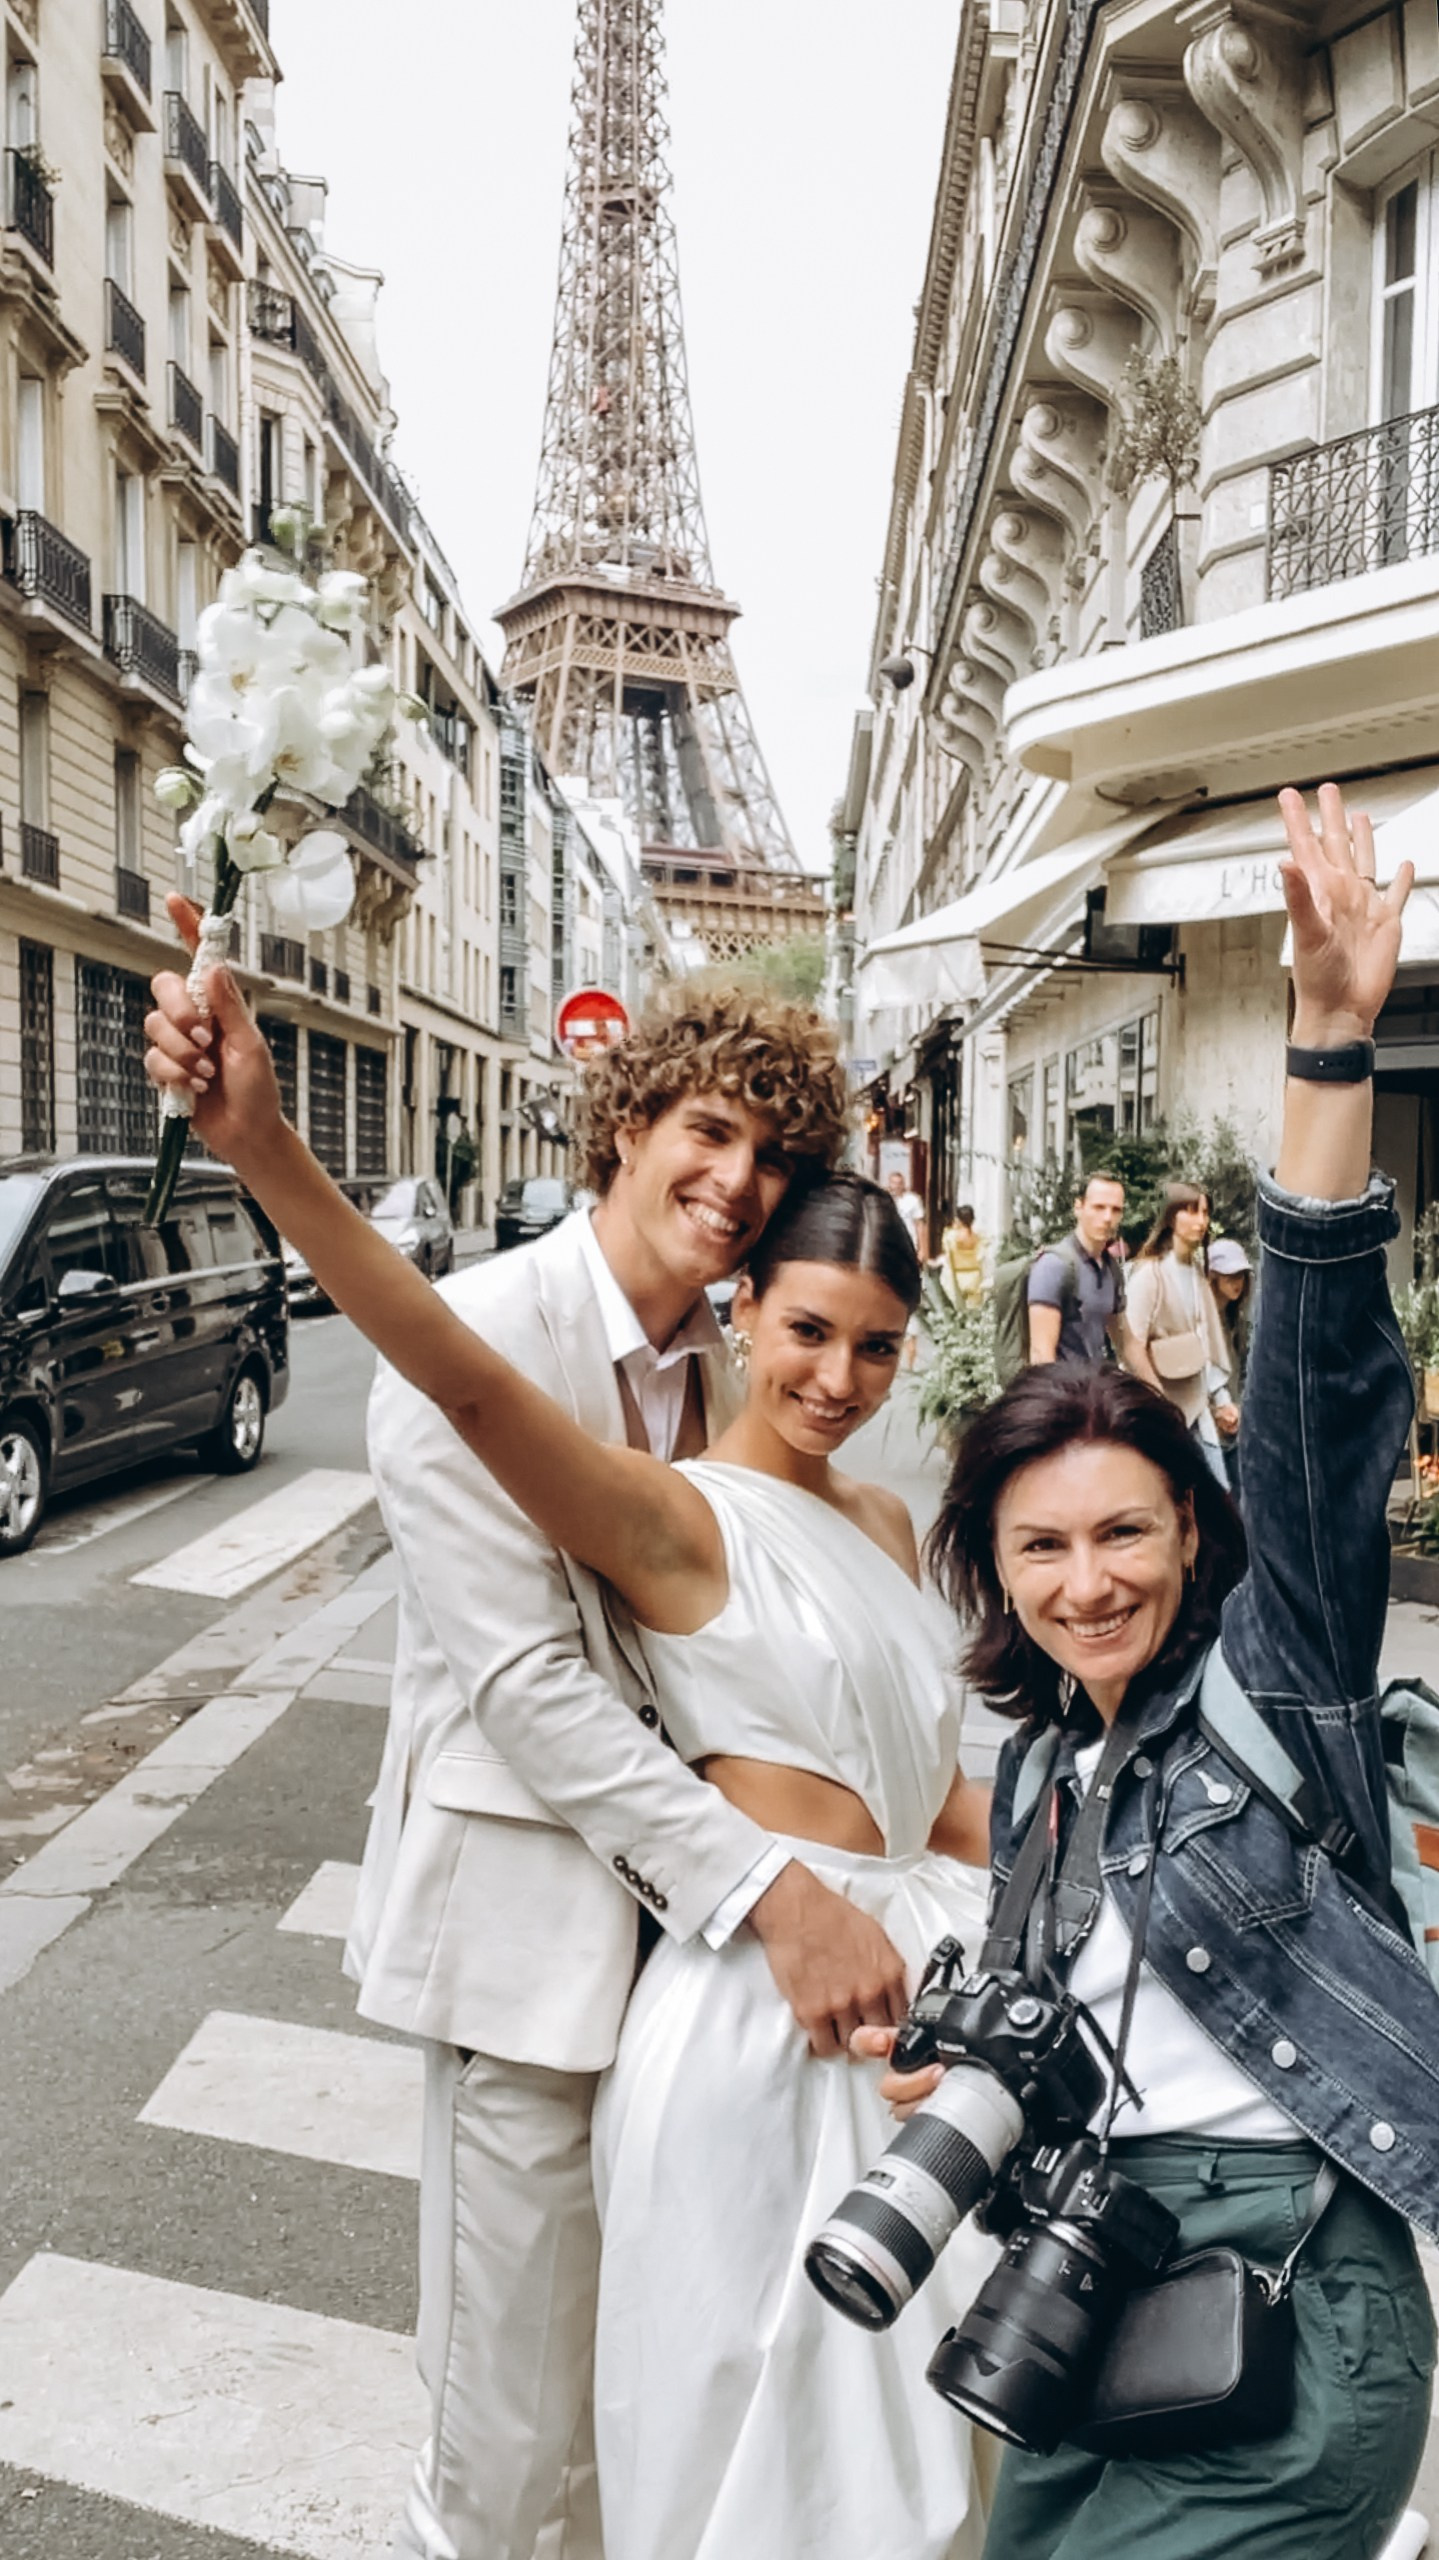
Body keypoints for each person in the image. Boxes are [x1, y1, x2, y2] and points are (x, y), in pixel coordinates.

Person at [143, 939, 997, 2560]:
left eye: (771, 1154)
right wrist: (776, 1896)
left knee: (641, 2441)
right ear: (624, 1121)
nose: (736, 1179)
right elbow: (538, 1694)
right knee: (504, 2453)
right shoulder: (467, 1340)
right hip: (544, 1964)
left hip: (715, 1999)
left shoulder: (743, 1396)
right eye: (707, 1130)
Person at [864, 781, 1439, 2560]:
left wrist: (1326, 1043)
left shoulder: (1275, 1680)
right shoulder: (1038, 1781)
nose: (1083, 1578)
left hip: (1288, 2294)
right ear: (991, 1570)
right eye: (1038, 1546)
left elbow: (1312, 1416)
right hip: (1093, 2287)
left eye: (1124, 1533)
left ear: (1191, 1538)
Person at [1120, 1183, 1239, 1486]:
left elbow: (1208, 1342)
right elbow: (1132, 1345)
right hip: (1157, 1409)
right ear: (1172, 1217)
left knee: (1216, 1496)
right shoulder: (1149, 1275)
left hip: (1198, 1405)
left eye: (1205, 1212)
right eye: (1191, 1211)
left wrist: (1222, 1398)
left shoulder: (1199, 1274)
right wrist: (1158, 1402)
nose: (1201, 1220)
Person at [1026, 1171, 1128, 1366]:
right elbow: (1041, 1356)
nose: (1107, 1217)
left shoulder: (1111, 1268)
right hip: (1064, 1391)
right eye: (1098, 1207)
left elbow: (1124, 1342)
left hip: (1096, 1389)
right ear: (1078, 1207)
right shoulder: (1053, 1266)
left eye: (1116, 1210)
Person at [940, 1203, 987, 1308]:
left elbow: (947, 1252)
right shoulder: (978, 1237)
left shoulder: (951, 1237)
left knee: (959, 1308)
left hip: (959, 1275)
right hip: (975, 1276)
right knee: (975, 1308)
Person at [887, 1166, 926, 1258]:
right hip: (889, 1244)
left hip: (909, 1244)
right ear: (889, 1184)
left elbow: (920, 1225)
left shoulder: (913, 1200)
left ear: (903, 1184)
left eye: (899, 1183)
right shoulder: (884, 1200)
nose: (896, 1186)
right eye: (894, 1183)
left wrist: (922, 1249)